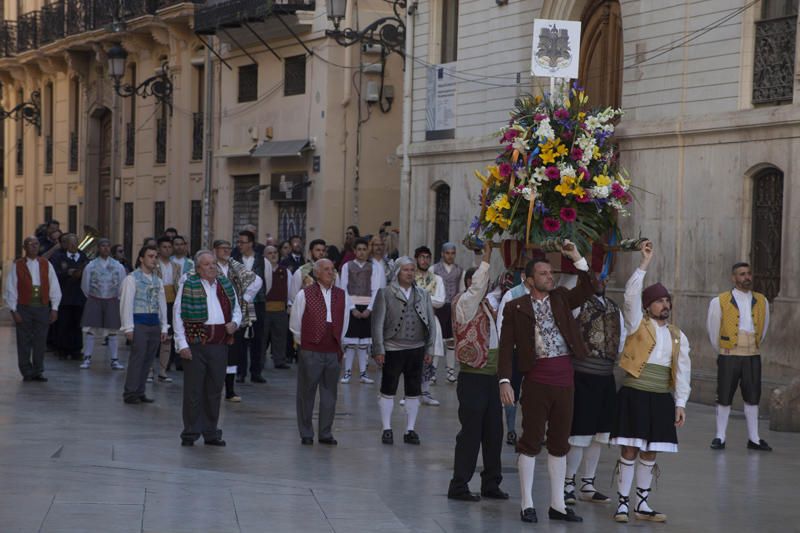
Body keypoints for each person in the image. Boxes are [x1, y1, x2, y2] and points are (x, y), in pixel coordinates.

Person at [498, 240, 592, 524]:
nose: (550, 276)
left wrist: (576, 257)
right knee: (530, 440)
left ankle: (558, 505)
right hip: (536, 379)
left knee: (560, 442)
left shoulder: (562, 298)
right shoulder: (515, 308)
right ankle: (527, 503)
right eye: (543, 274)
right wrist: (505, 380)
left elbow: (588, 288)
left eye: (550, 273)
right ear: (528, 280)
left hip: (565, 379)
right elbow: (505, 348)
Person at [610, 241, 691, 523]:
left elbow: (682, 372)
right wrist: (644, 263)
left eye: (667, 301)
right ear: (648, 306)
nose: (665, 305)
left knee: (651, 450)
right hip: (635, 394)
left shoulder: (678, 335)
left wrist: (680, 403)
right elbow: (631, 295)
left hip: (660, 397)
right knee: (630, 448)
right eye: (659, 301)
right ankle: (622, 503)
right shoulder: (636, 324)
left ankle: (641, 504)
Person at [447, 243, 508, 502]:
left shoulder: (487, 304)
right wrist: (486, 257)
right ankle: (459, 484)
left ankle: (491, 483)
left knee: (494, 432)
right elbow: (477, 288)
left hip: (492, 377)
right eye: (474, 281)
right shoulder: (464, 303)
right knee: (471, 433)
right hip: (473, 377)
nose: (479, 285)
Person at [563, 270, 626, 506]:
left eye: (603, 278)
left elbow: (621, 338)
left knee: (601, 435)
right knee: (579, 434)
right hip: (583, 376)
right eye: (595, 278)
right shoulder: (578, 304)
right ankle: (568, 482)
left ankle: (587, 483)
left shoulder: (613, 306)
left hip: (605, 377)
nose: (600, 282)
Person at [174, 250, 241, 446]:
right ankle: (190, 432)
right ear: (198, 268)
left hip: (219, 344)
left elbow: (237, 309)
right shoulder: (188, 285)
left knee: (214, 390)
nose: (212, 267)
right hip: (196, 344)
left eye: (213, 263)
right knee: (193, 391)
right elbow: (178, 315)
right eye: (207, 264)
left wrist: (235, 324)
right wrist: (182, 344)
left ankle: (211, 432)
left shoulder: (226, 285)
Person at [707, 262, 771, 451]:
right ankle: (720, 436)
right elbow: (713, 330)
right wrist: (723, 349)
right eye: (742, 274)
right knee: (724, 394)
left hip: (752, 354)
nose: (747, 277)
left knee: (753, 395)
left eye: (749, 273)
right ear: (733, 278)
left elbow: (764, 327)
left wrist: (753, 344)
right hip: (729, 354)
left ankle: (754, 438)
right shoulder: (719, 301)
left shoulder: (762, 301)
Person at [372, 257, 436, 445]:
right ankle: (386, 428)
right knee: (388, 388)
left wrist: (429, 348)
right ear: (398, 272)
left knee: (414, 390)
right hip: (393, 347)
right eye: (406, 270)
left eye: (412, 270)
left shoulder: (423, 294)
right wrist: (378, 348)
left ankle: (410, 429)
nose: (410, 273)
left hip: (416, 347)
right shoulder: (385, 293)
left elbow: (431, 323)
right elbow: (377, 324)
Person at [289, 258, 351, 446]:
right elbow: (296, 322)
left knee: (329, 394)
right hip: (311, 348)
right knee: (306, 393)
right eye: (326, 269)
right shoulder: (304, 294)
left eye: (332, 269)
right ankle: (306, 432)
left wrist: (338, 341)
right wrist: (305, 343)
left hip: (332, 349)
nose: (330, 272)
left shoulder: (342, 295)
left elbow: (346, 320)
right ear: (316, 273)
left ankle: (325, 432)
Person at [4, 236, 61, 381]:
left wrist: (54, 308)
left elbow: (54, 286)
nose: (34, 247)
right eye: (30, 244)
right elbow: (11, 288)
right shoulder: (18, 265)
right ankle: (26, 371)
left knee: (40, 340)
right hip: (24, 307)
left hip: (42, 307)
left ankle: (38, 370)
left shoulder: (46, 264)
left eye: (36, 244)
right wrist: (14, 310)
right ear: (24, 248)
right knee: (23, 340)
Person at [119, 245, 169, 404]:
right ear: (141, 258)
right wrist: (128, 327)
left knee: (148, 359)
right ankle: (130, 392)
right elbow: (126, 303)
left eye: (155, 256)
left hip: (154, 322)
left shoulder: (158, 280)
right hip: (138, 321)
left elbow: (162, 304)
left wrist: (164, 325)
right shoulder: (132, 279)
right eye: (150, 256)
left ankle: (140, 391)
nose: (154, 259)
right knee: (137, 358)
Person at [214, 240, 261, 401]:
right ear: (215, 250)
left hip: (234, 313)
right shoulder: (210, 265)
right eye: (223, 249)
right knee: (215, 351)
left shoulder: (235, 265)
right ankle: (213, 388)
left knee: (233, 352)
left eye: (228, 248)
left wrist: (245, 298)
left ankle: (230, 390)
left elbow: (256, 280)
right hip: (214, 313)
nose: (226, 251)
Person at [338, 237, 384, 384]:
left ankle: (363, 373)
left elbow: (376, 289)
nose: (362, 252)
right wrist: (351, 308)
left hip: (367, 306)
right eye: (359, 249)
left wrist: (370, 309)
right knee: (351, 342)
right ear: (354, 251)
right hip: (351, 306)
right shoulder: (347, 266)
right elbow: (343, 288)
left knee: (364, 342)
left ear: (368, 250)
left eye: (364, 249)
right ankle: (348, 372)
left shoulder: (374, 267)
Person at [79, 238, 128, 370]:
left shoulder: (118, 266)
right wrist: (92, 296)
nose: (105, 248)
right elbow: (85, 285)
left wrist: (116, 297)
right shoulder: (91, 266)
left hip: (112, 299)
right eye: (102, 246)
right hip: (95, 299)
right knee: (90, 329)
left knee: (112, 330)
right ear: (98, 248)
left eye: (107, 246)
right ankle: (87, 358)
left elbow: (123, 284)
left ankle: (114, 359)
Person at [235, 230, 268, 383]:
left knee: (258, 338)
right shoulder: (234, 260)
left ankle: (256, 371)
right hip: (240, 303)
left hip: (258, 303)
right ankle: (240, 371)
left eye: (242, 242)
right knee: (240, 338)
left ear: (250, 243)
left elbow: (268, 281)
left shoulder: (262, 260)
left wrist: (258, 296)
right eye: (239, 242)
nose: (239, 245)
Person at [50, 233, 89, 360]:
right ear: (66, 244)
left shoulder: (83, 257)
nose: (73, 246)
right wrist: (67, 272)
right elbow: (53, 274)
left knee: (77, 325)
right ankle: (62, 349)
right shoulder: (58, 257)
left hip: (79, 297)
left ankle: (76, 349)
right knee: (64, 324)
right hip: (64, 296)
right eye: (71, 243)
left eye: (75, 243)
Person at [414, 246, 445, 405]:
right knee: (413, 357)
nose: (424, 260)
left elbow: (440, 301)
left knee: (429, 357)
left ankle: (425, 392)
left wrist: (420, 299)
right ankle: (411, 393)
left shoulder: (437, 279)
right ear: (416, 259)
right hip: (412, 321)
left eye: (427, 257)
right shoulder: (409, 277)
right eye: (421, 257)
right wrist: (428, 299)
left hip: (432, 321)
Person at [433, 242, 465, 384]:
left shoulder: (459, 270)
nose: (450, 256)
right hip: (438, 307)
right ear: (442, 254)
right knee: (436, 340)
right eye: (447, 253)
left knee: (451, 341)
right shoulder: (434, 269)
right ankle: (432, 372)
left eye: (452, 253)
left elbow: (462, 289)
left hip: (452, 307)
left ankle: (450, 372)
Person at [154, 236, 180, 383]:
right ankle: (150, 370)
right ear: (159, 248)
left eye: (169, 247)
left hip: (171, 302)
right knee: (154, 336)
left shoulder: (176, 266)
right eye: (164, 247)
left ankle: (163, 370)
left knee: (168, 337)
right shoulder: (154, 264)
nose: (167, 250)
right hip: (156, 302)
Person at [263, 245, 291, 370]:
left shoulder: (285, 271)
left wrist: (289, 305)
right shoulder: (260, 270)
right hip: (264, 309)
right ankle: (259, 361)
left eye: (275, 252)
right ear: (264, 256)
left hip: (280, 309)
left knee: (280, 336)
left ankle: (279, 360)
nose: (273, 255)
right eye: (270, 253)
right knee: (261, 338)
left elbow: (290, 290)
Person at [289, 239, 328, 305]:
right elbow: (293, 297)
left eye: (323, 250)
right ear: (310, 252)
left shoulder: (333, 273)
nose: (321, 253)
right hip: (307, 311)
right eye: (318, 250)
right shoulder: (301, 271)